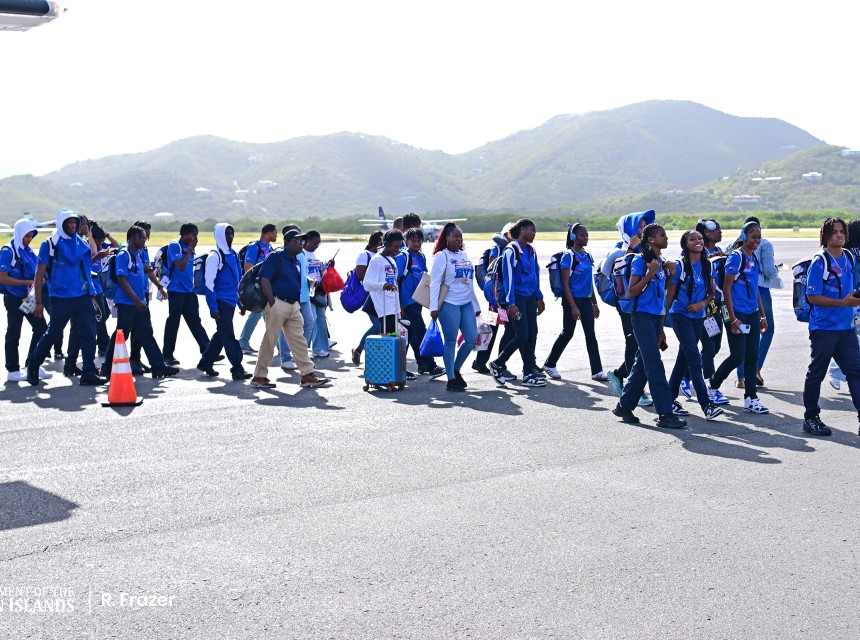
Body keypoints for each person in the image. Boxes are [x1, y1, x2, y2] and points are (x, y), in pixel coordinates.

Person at [611, 224, 686, 428]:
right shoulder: (640, 261)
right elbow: (632, 291)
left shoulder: (660, 262)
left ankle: (625, 406)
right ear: (651, 239)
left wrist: (670, 275)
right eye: (663, 235)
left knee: (643, 364)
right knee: (654, 364)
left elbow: (662, 298)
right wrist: (649, 273)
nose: (667, 238)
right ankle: (665, 413)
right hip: (641, 316)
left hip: (655, 317)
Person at [26, 209, 107, 386]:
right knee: (53, 333)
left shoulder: (80, 243)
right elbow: (39, 275)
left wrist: (91, 295)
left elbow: (88, 263)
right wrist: (39, 302)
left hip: (82, 296)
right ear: (61, 223)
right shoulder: (50, 244)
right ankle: (33, 365)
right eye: (68, 222)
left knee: (88, 333)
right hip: (60, 298)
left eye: (74, 222)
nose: (72, 226)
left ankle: (88, 372)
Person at [800, 217, 860, 436]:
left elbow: (852, 290)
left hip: (846, 329)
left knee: (856, 372)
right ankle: (811, 418)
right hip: (824, 329)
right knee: (816, 373)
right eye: (834, 232)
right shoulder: (820, 262)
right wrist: (844, 303)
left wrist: (852, 301)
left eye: (842, 231)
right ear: (825, 236)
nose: (840, 235)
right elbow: (813, 296)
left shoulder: (849, 258)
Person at [251, 229, 329, 389]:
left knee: (299, 340)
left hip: (293, 305)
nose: (300, 244)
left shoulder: (297, 261)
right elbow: (264, 279)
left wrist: (298, 304)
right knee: (270, 340)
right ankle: (259, 376)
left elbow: (296, 284)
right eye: (296, 241)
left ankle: (307, 374)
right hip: (278, 303)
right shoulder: (276, 256)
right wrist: (272, 302)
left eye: (302, 241)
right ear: (286, 243)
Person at [100, 226, 178, 379]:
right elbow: (122, 281)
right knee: (121, 335)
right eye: (140, 237)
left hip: (138, 302)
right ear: (131, 238)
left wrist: (154, 289)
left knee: (146, 334)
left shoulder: (138, 255)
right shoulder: (124, 254)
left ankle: (158, 367)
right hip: (127, 303)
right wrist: (136, 300)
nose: (144, 239)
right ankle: (107, 367)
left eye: (144, 237)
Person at [708, 221, 769, 414]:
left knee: (752, 356)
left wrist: (762, 315)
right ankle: (713, 386)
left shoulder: (754, 258)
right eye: (753, 237)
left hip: (751, 313)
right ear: (744, 237)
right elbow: (726, 289)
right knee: (737, 356)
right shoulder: (736, 258)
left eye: (758, 237)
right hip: (736, 313)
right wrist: (733, 319)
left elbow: (756, 290)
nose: (756, 241)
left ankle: (751, 398)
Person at [665, 230, 723, 421]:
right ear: (685, 244)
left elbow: (711, 293)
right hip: (680, 316)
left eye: (700, 238)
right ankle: (706, 405)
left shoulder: (708, 266)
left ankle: (669, 399)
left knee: (683, 360)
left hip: (698, 317)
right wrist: (660, 323)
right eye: (693, 239)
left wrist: (701, 304)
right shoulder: (680, 266)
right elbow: (670, 295)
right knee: (694, 360)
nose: (698, 241)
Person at [602, 210, 656, 407]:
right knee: (633, 343)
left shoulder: (648, 250)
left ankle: (619, 374)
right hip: (627, 304)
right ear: (629, 230)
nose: (643, 230)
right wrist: (632, 251)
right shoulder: (619, 251)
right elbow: (610, 275)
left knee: (642, 345)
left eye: (644, 226)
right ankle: (636, 389)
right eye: (639, 227)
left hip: (645, 303)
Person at [541, 223, 607, 381]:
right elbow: (565, 284)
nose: (586, 238)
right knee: (568, 333)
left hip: (586, 301)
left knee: (591, 335)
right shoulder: (568, 256)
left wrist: (595, 304)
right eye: (582, 235)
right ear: (573, 237)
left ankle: (597, 370)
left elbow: (589, 283)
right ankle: (550, 364)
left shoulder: (588, 256)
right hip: (572, 300)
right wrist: (573, 307)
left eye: (587, 235)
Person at [489, 218, 546, 388]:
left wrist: (539, 297)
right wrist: (511, 303)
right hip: (517, 299)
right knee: (522, 335)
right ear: (522, 230)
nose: (534, 233)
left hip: (529, 298)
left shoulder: (531, 251)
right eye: (531, 230)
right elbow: (509, 279)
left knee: (532, 333)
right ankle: (498, 364)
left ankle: (528, 372)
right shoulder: (511, 251)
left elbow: (535, 275)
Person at [430, 223, 482, 391]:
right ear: (447, 238)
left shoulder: (464, 255)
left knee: (472, 339)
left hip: (466, 303)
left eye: (461, 237)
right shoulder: (441, 256)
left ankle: (455, 369)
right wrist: (434, 307)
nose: (459, 239)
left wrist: (476, 305)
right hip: (449, 304)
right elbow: (435, 283)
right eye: (455, 236)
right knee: (451, 341)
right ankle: (451, 378)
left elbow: (469, 283)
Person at [197, 223, 250, 380]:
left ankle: (205, 362)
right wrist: (213, 307)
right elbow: (209, 284)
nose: (230, 237)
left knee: (221, 334)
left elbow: (238, 281)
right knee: (228, 335)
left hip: (230, 302)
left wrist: (241, 302)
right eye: (227, 234)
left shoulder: (232, 254)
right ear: (219, 235)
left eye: (232, 233)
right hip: (220, 302)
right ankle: (237, 367)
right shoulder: (215, 256)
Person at [0, 218, 49, 381]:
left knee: (41, 328)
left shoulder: (28, 251)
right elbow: (3, 279)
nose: (29, 239)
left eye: (31, 236)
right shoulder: (8, 251)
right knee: (14, 333)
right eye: (27, 236)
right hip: (14, 297)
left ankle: (32, 364)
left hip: (29, 298)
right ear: (19, 233)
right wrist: (28, 282)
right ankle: (12, 370)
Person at [736, 216, 779, 388]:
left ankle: (740, 377)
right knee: (767, 330)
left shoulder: (735, 244)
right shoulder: (765, 244)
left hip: (739, 292)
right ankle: (754, 369)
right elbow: (769, 271)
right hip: (759, 289)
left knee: (742, 334)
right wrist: (776, 270)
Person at [396, 227, 444, 378]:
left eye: (419, 240)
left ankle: (419, 366)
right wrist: (400, 305)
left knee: (412, 335)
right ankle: (430, 366)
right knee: (419, 332)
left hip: (417, 302)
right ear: (407, 241)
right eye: (413, 240)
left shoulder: (421, 257)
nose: (416, 243)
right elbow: (395, 280)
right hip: (407, 303)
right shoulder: (403, 257)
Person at [161, 223, 210, 366]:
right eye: (193, 235)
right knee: (173, 323)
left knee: (195, 321)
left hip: (189, 290)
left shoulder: (190, 247)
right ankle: (167, 355)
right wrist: (189, 250)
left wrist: (190, 249)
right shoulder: (175, 246)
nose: (195, 238)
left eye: (196, 235)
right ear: (185, 234)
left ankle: (207, 350)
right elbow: (181, 266)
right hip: (176, 291)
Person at [472, 222, 515, 375]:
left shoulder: (512, 250)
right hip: (498, 301)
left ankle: (482, 361)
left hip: (502, 300)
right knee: (501, 331)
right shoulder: (496, 250)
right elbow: (493, 275)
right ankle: (496, 363)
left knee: (500, 331)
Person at [128, 220, 168, 375]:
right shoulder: (128, 251)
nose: (145, 240)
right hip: (132, 294)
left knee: (140, 329)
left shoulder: (142, 249)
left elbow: (148, 270)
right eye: (143, 236)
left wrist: (159, 286)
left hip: (143, 291)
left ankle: (136, 359)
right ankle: (130, 360)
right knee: (132, 329)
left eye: (147, 237)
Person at [828, 218, 860, 390]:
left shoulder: (846, 252)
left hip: (849, 299)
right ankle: (836, 372)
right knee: (852, 339)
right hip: (853, 300)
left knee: (851, 338)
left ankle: (837, 373)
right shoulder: (853, 254)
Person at [238, 224, 278, 354]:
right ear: (268, 233)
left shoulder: (270, 248)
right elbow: (248, 269)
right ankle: (243, 342)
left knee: (269, 316)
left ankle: (278, 346)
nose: (276, 235)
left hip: (268, 287)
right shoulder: (254, 247)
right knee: (257, 314)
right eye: (275, 233)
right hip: (257, 289)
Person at [351, 230, 384, 365]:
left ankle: (375, 355)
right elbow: (360, 276)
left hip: (381, 295)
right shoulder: (365, 255)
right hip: (368, 295)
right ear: (376, 242)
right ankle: (358, 349)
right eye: (382, 241)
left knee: (383, 328)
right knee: (377, 325)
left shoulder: (383, 256)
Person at [303, 230, 331, 358]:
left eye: (318, 244)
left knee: (321, 319)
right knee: (311, 319)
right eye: (315, 243)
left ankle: (319, 348)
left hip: (319, 292)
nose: (316, 246)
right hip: (308, 292)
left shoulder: (314, 255)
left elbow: (318, 271)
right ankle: (302, 349)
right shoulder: (301, 254)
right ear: (307, 241)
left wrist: (326, 267)